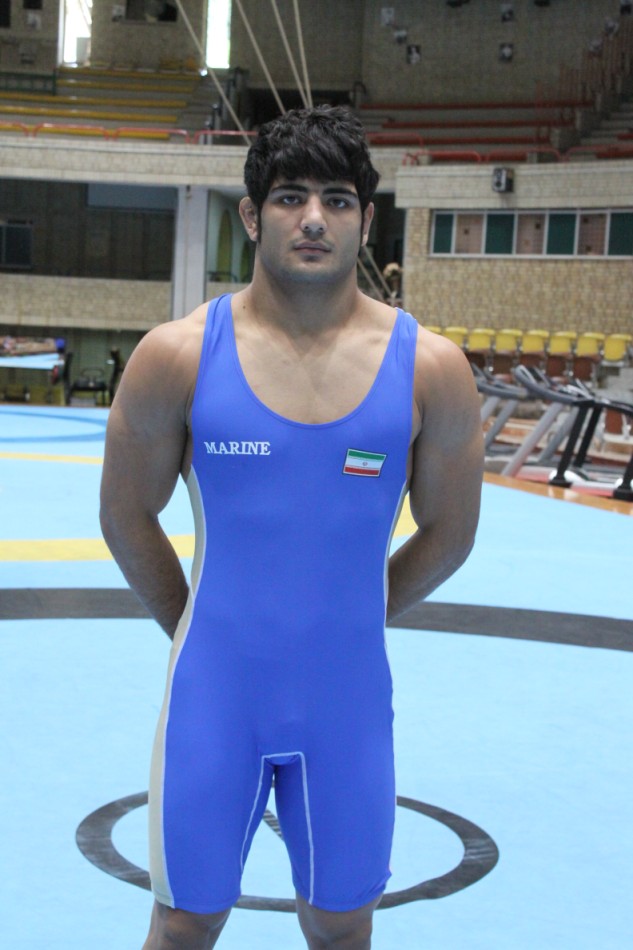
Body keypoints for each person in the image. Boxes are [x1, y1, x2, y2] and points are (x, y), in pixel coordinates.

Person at [100, 105, 484, 950]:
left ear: (365, 220)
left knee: (343, 928)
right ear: (251, 214)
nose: (314, 218)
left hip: (346, 703)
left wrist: (351, 620)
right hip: (215, 698)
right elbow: (125, 512)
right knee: (184, 924)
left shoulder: (430, 370)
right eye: (290, 197)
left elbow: (450, 533)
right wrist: (195, 627)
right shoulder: (177, 355)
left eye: (336, 200)